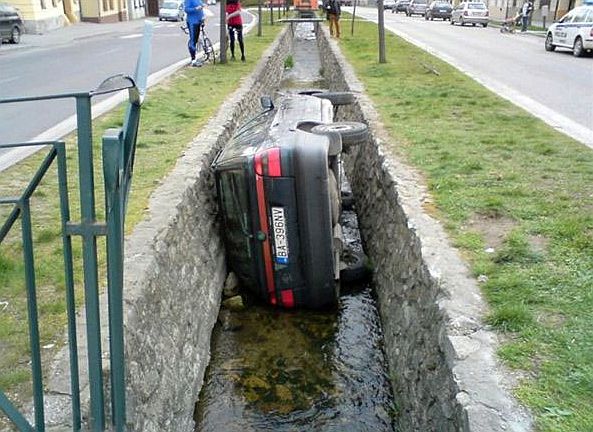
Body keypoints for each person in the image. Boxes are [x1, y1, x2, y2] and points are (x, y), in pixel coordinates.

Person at [185, 0, 205, 66]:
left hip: (199, 21)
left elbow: (201, 8)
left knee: (196, 39)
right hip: (192, 22)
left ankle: (195, 58)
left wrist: (203, 17)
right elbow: (186, 9)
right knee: (193, 40)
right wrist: (196, 8)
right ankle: (193, 60)